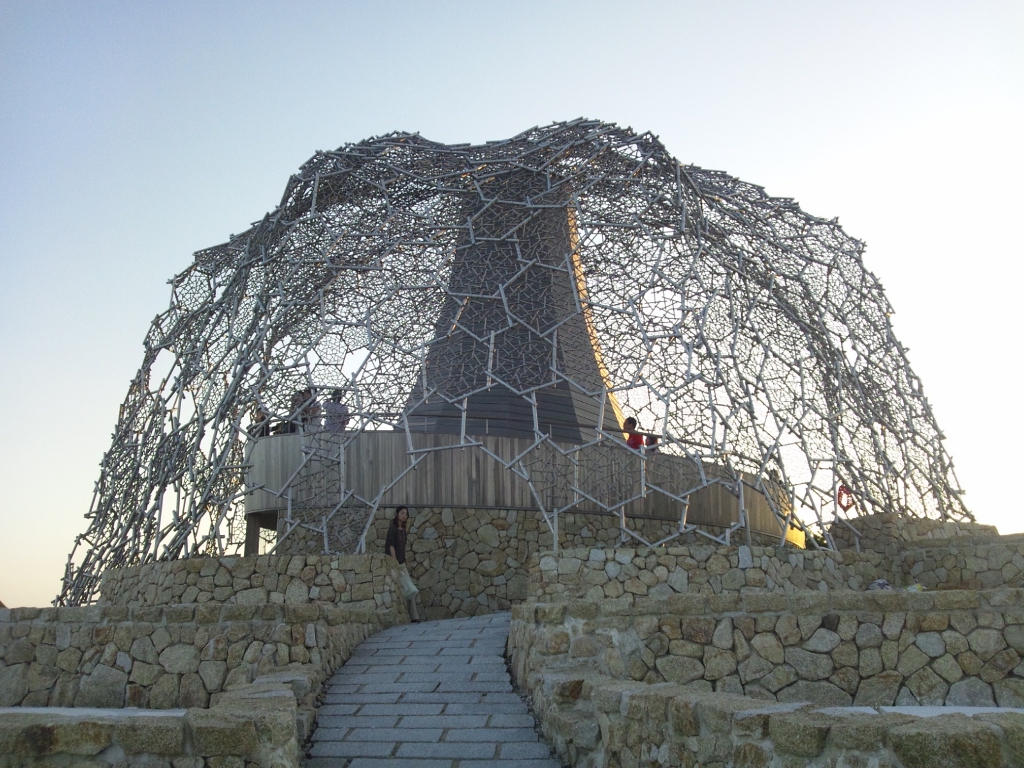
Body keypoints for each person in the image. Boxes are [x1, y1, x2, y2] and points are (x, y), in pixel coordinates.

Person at [385, 506, 421, 622]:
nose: (404, 515)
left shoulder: (403, 529)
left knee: (411, 589)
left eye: (406, 513)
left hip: (402, 562)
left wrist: (404, 559)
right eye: (402, 513)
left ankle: (414, 616)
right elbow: (391, 545)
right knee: (405, 589)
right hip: (395, 563)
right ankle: (410, 616)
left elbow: (402, 546)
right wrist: (394, 561)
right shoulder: (393, 528)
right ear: (397, 514)